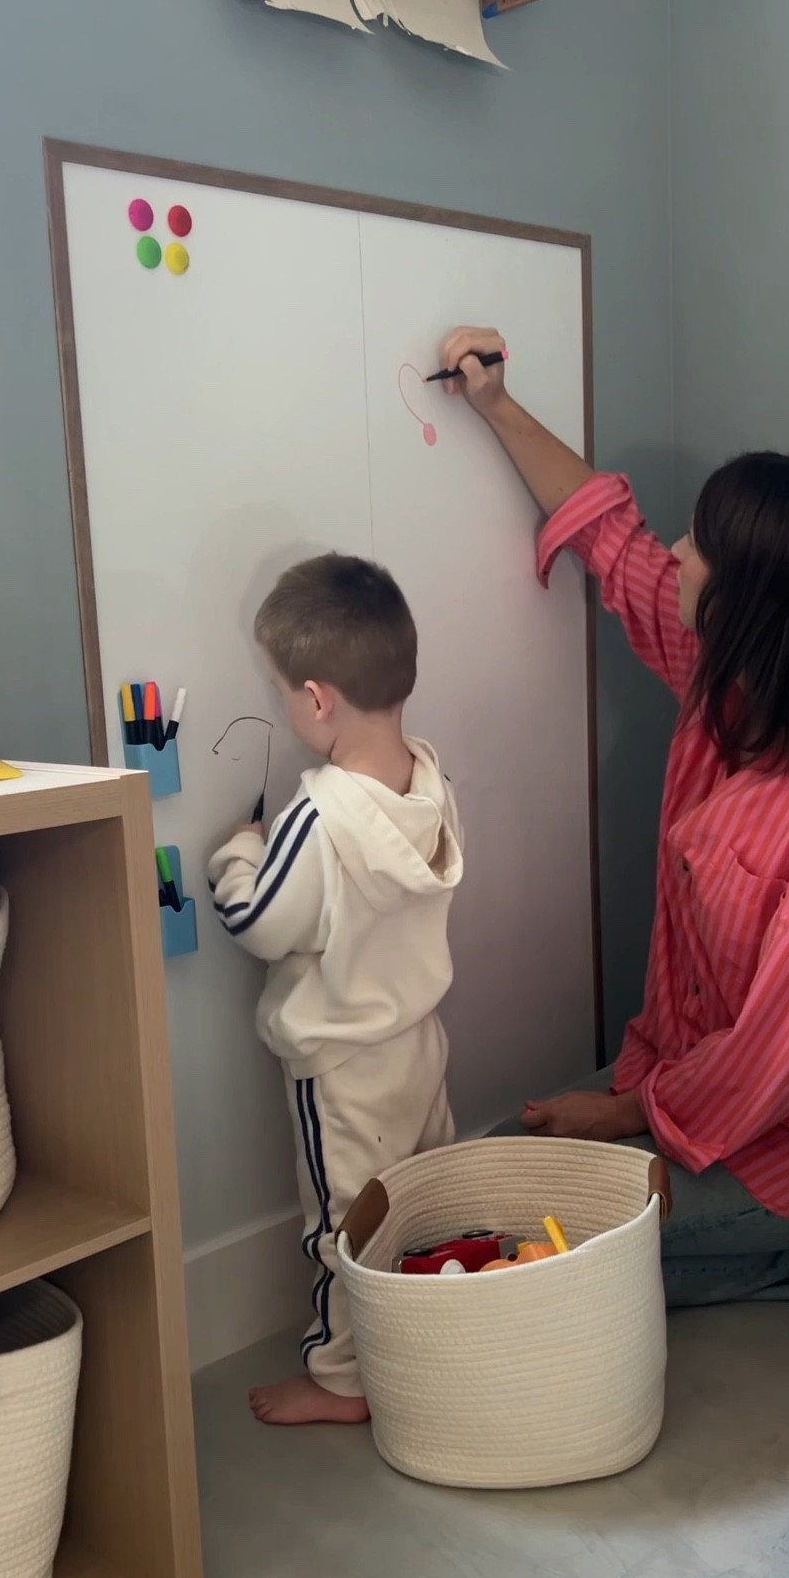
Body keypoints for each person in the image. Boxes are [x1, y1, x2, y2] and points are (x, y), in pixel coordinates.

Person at [439, 324, 789, 1305]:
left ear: (745, 599)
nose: (679, 553)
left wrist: (624, 1114)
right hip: (694, 1084)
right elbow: (615, 540)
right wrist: (495, 404)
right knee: (481, 1184)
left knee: (548, 1256)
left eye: (703, 546)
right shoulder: (736, 674)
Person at [209, 552, 463, 1420]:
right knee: (419, 1198)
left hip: (344, 1070)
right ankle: (424, 1336)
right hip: (419, 1044)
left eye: (282, 690)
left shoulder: (317, 816)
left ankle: (343, 1382)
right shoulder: (426, 782)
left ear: (316, 700)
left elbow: (260, 922)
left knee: (345, 1222)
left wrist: (237, 853)